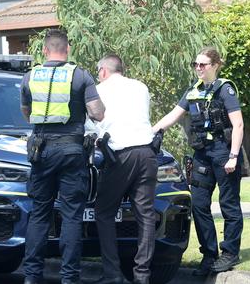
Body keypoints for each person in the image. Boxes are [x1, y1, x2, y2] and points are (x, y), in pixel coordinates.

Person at [20, 29, 105, 284]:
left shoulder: (30, 76)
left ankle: (32, 277)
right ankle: (69, 278)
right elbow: (97, 113)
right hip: (71, 151)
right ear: (67, 49)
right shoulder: (79, 75)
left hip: (41, 150)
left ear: (45, 50)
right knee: (71, 216)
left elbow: (26, 112)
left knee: (39, 213)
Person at [152, 46, 244, 276]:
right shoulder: (193, 90)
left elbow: (238, 125)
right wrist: (151, 131)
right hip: (202, 153)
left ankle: (230, 253)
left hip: (224, 152)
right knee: (199, 204)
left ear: (215, 66)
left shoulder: (225, 90)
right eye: (195, 64)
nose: (198, 68)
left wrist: (233, 156)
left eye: (202, 64)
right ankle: (209, 255)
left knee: (228, 204)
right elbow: (173, 115)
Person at [88, 55, 158, 284]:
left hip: (121, 155)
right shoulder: (141, 87)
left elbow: (93, 122)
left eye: (98, 71)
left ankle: (112, 273)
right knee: (145, 215)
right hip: (147, 153)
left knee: (104, 211)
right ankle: (142, 275)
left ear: (104, 71)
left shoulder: (99, 90)